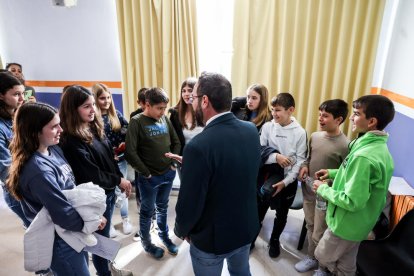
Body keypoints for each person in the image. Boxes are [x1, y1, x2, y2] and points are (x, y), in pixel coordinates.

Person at [174, 72, 261, 276]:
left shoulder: (198, 147)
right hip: (245, 226)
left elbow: (189, 202)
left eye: (193, 98)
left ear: (204, 101)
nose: (191, 102)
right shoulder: (250, 130)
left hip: (213, 237)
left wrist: (182, 230)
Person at [6, 102, 106, 275]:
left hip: (73, 232)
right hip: (61, 239)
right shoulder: (38, 171)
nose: (61, 129)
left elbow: (70, 190)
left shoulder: (53, 149)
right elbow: (62, 213)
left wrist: (91, 214)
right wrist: (90, 223)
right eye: (54, 127)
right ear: (34, 131)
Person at [312, 95, 395, 276]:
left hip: (346, 224)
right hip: (361, 223)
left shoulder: (363, 157)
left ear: (372, 121)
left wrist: (323, 188)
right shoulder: (377, 148)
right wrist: (333, 173)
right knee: (347, 260)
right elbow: (355, 175)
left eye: (356, 114)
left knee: (322, 255)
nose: (351, 117)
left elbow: (352, 201)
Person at [59, 85, 133, 276]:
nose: (93, 109)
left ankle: (108, 268)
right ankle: (105, 272)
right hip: (93, 197)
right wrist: (118, 180)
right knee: (98, 240)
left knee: (103, 237)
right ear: (72, 109)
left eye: (93, 104)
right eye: (86, 106)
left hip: (106, 192)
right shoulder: (70, 140)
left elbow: (110, 157)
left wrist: (119, 177)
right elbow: (92, 174)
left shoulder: (93, 126)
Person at [294, 99, 349, 273]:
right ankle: (312, 257)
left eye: (325, 116)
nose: (320, 119)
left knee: (321, 232)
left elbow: (344, 175)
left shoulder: (345, 145)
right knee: (310, 226)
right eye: (319, 115)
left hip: (325, 197)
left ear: (338, 120)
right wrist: (304, 166)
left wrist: (328, 185)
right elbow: (309, 158)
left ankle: (323, 266)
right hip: (309, 191)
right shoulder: (315, 136)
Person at [125, 87, 181, 259]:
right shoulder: (137, 121)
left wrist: (173, 164)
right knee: (147, 211)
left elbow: (176, 142)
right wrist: (146, 173)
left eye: (164, 108)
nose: (163, 112)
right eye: (159, 108)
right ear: (147, 105)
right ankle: (147, 242)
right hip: (149, 178)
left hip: (168, 173)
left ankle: (164, 236)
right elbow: (130, 152)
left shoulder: (164, 118)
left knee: (163, 207)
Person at [258, 92, 307, 258]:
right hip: (268, 176)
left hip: (288, 181)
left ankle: (274, 239)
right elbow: (259, 151)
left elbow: (300, 161)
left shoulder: (300, 133)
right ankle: (253, 235)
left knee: (282, 213)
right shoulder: (267, 127)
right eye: (272, 110)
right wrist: (276, 157)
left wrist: (285, 182)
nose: (274, 114)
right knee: (260, 206)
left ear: (290, 110)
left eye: (278, 110)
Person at [92, 83, 132, 237]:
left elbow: (127, 132)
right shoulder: (93, 119)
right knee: (107, 195)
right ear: (95, 99)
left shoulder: (117, 115)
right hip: (104, 164)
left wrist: (124, 144)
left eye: (108, 97)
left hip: (120, 161)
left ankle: (125, 219)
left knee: (123, 191)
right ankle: (109, 224)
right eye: (102, 98)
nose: (107, 101)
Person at [0, 72, 30, 228]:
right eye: (16, 94)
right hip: (18, 188)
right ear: (1, 96)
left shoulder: (18, 116)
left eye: (23, 93)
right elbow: (5, 167)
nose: (22, 98)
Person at [169, 77, 203, 155]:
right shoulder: (175, 114)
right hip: (184, 157)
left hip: (204, 155)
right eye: (183, 91)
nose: (186, 94)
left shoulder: (204, 111)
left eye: (190, 91)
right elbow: (173, 141)